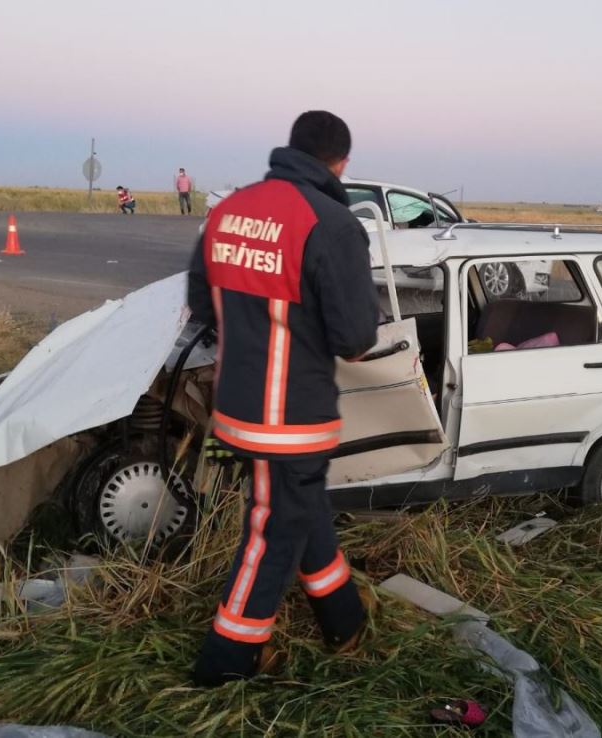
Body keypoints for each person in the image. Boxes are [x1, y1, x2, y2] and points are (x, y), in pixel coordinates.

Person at [187, 110, 379, 686]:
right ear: (341, 163)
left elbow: (201, 305)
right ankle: (227, 661)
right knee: (271, 534)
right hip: (292, 423)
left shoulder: (228, 210)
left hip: (235, 410)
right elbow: (355, 340)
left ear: (289, 149)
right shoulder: (332, 223)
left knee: (301, 511)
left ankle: (344, 619)